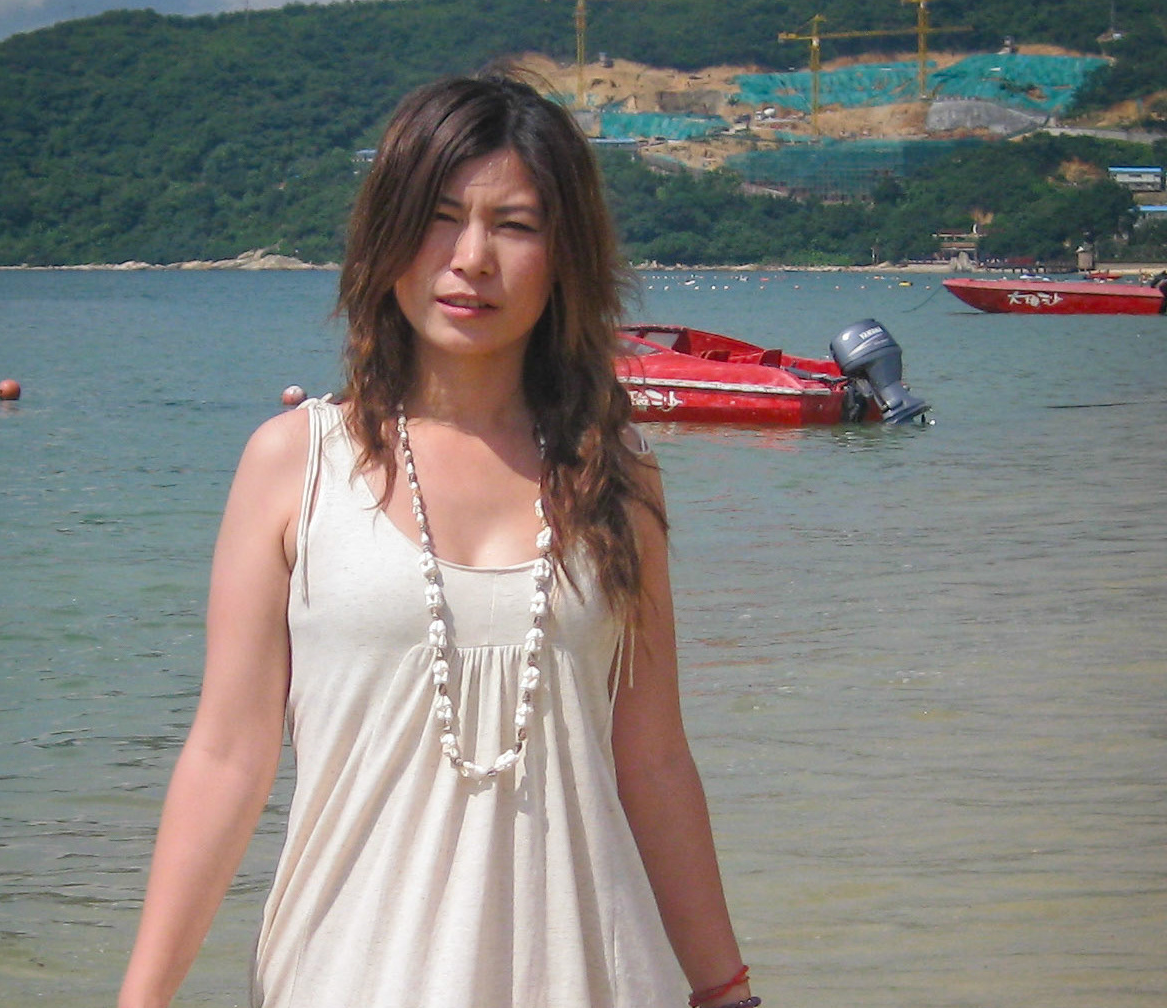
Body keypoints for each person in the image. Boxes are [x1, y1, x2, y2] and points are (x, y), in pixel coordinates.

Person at [118, 71, 757, 1008]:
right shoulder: (293, 464)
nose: (472, 258)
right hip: (346, 976)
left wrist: (726, 990)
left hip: (595, 976)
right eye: (441, 217)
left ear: (565, 256)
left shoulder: (616, 475)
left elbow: (653, 759)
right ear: (387, 237)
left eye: (516, 225)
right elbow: (227, 757)